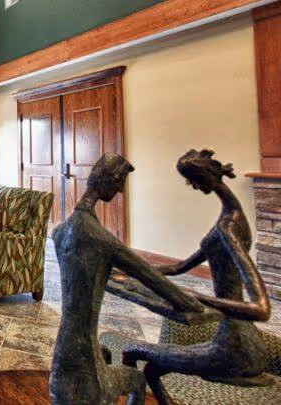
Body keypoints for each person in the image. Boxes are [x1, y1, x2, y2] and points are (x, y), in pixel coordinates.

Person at [50, 154, 205, 405]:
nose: (121, 189)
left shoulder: (59, 231)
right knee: (137, 380)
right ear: (107, 180)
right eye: (119, 181)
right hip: (85, 354)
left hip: (62, 354)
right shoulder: (100, 238)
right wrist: (194, 305)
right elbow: (151, 277)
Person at [122, 149, 272, 403]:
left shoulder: (228, 228)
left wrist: (197, 296)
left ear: (204, 179)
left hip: (234, 348)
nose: (191, 186)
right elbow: (179, 267)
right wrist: (133, 271)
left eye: (191, 180)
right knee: (153, 369)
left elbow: (261, 308)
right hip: (240, 338)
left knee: (131, 351)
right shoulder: (231, 219)